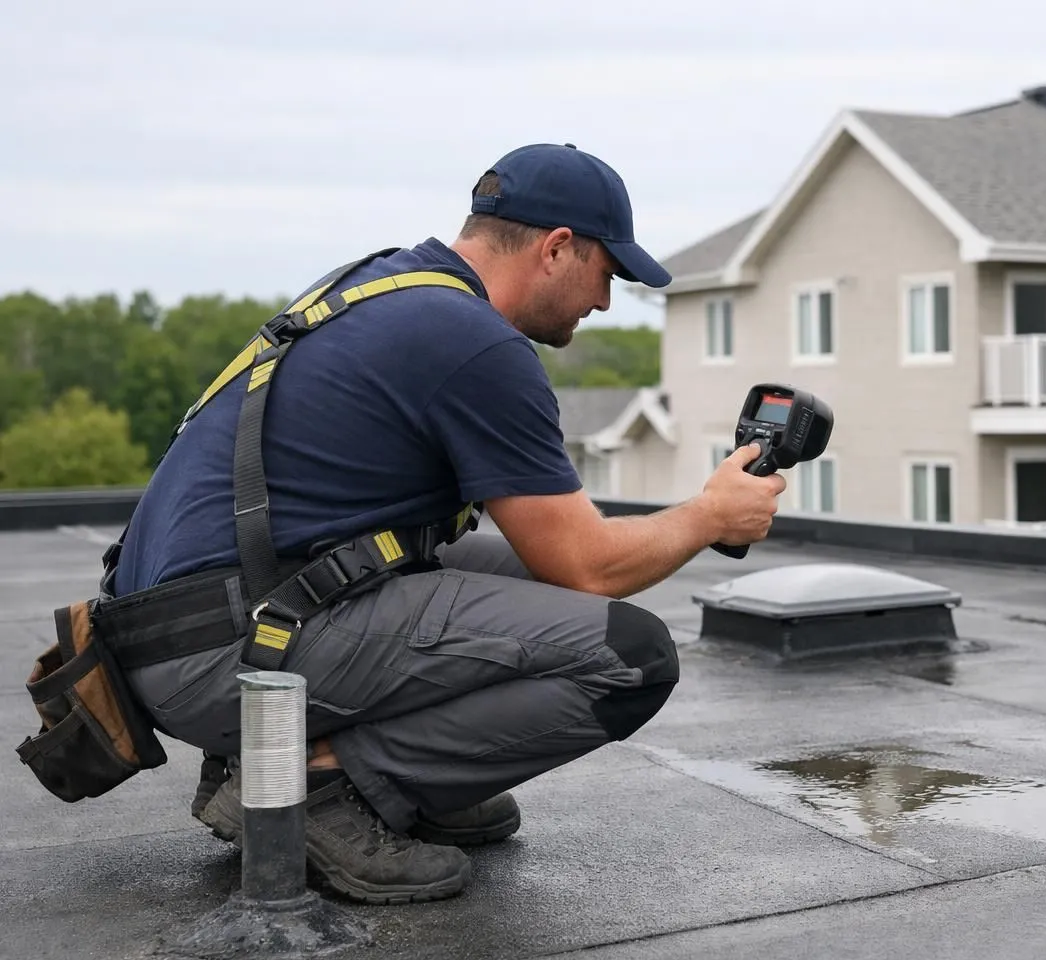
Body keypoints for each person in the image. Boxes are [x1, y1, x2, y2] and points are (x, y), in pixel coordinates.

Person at [110, 142, 785, 905]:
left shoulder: (380, 284)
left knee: (534, 584)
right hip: (224, 652)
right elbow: (590, 565)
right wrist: (709, 514)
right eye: (609, 274)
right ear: (558, 248)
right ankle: (320, 785)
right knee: (628, 655)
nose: (604, 301)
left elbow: (550, 561)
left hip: (179, 628)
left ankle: (384, 769)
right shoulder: (476, 344)